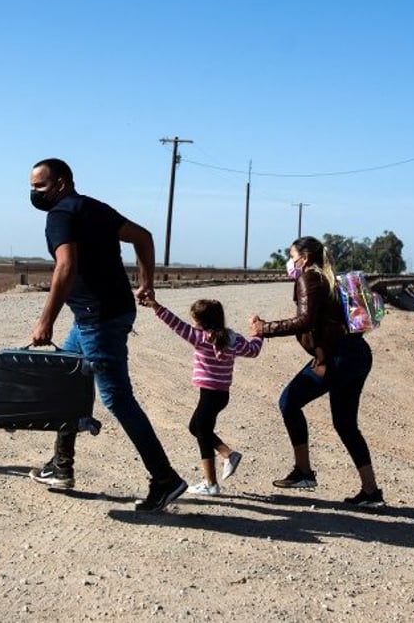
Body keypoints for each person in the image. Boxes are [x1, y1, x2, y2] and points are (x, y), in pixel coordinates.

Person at [27, 157, 187, 512]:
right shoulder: (93, 208)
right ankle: (61, 467)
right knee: (68, 384)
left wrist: (45, 321)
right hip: (102, 313)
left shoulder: (61, 216)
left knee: (117, 399)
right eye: (32, 186)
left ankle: (165, 478)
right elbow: (143, 238)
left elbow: (65, 266)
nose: (34, 192)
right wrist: (146, 284)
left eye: (40, 185)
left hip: (97, 318)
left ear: (61, 183)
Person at [248, 236, 384, 507]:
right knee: (345, 424)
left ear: (305, 258)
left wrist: (265, 328)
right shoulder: (327, 279)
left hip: (336, 359)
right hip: (356, 355)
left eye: (292, 256)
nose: (290, 262)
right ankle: (371, 492)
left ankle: (304, 472)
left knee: (289, 401)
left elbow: (304, 320)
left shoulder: (308, 279)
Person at [141, 296, 263, 495]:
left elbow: (174, 323)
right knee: (195, 427)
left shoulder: (199, 337)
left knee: (203, 433)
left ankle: (211, 484)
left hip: (209, 395)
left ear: (202, 322)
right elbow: (253, 350)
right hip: (221, 395)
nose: (191, 323)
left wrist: (155, 306)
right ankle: (227, 454)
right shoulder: (234, 339)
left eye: (194, 320)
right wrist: (258, 333)